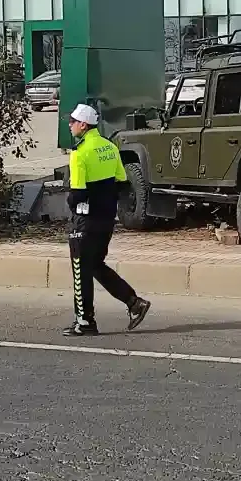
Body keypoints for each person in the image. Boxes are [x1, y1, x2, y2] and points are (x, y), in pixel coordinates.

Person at [62, 103, 152, 337]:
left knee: (81, 268)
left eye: (72, 121)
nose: (70, 125)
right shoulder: (110, 147)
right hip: (106, 218)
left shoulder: (80, 152)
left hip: (85, 219)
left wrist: (73, 204)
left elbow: (78, 193)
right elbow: (122, 183)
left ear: (83, 125)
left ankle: (84, 321)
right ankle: (134, 303)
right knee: (95, 265)